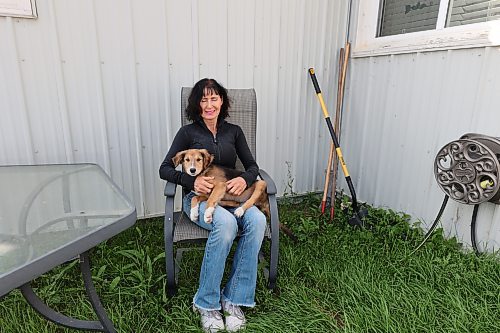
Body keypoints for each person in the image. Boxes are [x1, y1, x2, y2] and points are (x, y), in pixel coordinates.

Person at [159, 78, 267, 332]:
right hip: (196, 200)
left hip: (232, 197)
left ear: (222, 101)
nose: (209, 104)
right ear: (197, 105)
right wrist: (190, 182)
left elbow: (252, 166)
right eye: (203, 99)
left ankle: (233, 299)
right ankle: (206, 303)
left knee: (259, 220)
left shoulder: (234, 131)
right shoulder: (187, 133)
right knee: (227, 224)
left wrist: (244, 178)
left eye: (214, 98)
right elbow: (164, 169)